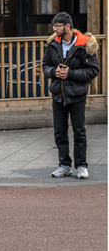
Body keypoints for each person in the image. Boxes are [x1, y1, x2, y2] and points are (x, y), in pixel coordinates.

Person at [42, 12, 99, 179]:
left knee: (79, 132)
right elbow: (45, 66)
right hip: (58, 95)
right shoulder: (53, 44)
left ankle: (81, 166)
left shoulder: (85, 45)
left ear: (67, 26)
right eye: (54, 26)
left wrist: (70, 73)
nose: (55, 29)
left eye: (58, 26)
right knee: (60, 132)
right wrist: (54, 71)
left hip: (77, 95)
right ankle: (64, 165)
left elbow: (93, 70)